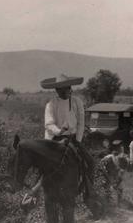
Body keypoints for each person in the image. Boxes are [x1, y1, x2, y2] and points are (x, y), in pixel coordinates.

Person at [25, 73, 91, 204]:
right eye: (61, 89)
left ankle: (88, 192)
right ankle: (34, 192)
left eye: (67, 88)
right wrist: (59, 131)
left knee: (89, 162)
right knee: (45, 166)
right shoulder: (51, 104)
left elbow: (81, 122)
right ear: (56, 90)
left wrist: (78, 140)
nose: (65, 91)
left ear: (70, 88)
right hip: (55, 139)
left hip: (72, 139)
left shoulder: (77, 102)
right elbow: (49, 124)